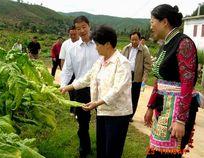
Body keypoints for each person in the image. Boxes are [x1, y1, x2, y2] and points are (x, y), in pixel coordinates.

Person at [60, 25, 132, 158]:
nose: (96, 47)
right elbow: (87, 78)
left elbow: (117, 90)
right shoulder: (100, 61)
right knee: (102, 148)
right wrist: (67, 87)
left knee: (112, 151)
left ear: (108, 44)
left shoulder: (122, 63)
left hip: (117, 114)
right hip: (102, 111)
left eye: (98, 44)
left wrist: (96, 103)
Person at [144, 4, 199, 158]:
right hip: (163, 108)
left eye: (152, 22)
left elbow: (187, 84)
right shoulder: (166, 44)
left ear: (164, 22)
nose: (151, 26)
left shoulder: (183, 43)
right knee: (156, 152)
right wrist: (150, 106)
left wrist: (181, 120)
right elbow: (159, 78)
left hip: (176, 112)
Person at [60, 15, 99, 158]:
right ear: (75, 30)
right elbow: (67, 70)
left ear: (89, 26)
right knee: (82, 122)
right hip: (81, 89)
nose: (81, 30)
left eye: (84, 27)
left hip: (100, 88)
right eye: (78, 28)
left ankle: (103, 147)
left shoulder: (99, 45)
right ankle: (85, 147)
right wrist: (64, 85)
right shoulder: (73, 49)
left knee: (102, 118)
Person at [121, 31, 152, 122]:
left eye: (136, 40)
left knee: (134, 97)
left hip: (137, 76)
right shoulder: (126, 48)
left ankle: (130, 116)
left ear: (139, 39)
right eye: (132, 40)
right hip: (126, 75)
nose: (134, 42)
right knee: (124, 95)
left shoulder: (144, 50)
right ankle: (123, 113)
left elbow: (147, 65)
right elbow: (120, 61)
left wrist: (144, 78)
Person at [59, 25, 80, 114]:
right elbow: (62, 59)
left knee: (79, 91)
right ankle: (72, 109)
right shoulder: (65, 44)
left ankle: (78, 110)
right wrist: (63, 71)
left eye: (74, 34)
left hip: (79, 72)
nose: (72, 36)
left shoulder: (82, 43)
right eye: (71, 34)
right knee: (71, 92)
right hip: (69, 72)